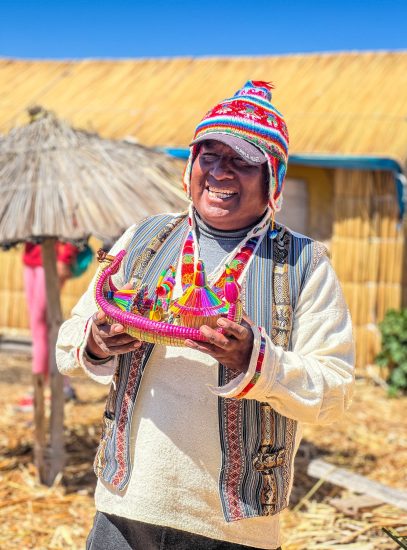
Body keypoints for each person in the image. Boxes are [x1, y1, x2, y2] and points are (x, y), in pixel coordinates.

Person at [56, 81, 354, 550]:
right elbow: (68, 342)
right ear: (191, 166)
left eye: (242, 161)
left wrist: (257, 361)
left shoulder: (303, 264)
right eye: (209, 156)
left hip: (233, 524)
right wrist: (97, 340)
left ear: (272, 178)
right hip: (127, 503)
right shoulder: (145, 238)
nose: (220, 172)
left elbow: (334, 392)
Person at [18, 241, 78, 411]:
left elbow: (74, 228)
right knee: (40, 329)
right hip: (31, 257)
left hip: (52, 260)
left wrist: (66, 257)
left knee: (41, 328)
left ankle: (38, 391)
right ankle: (63, 386)